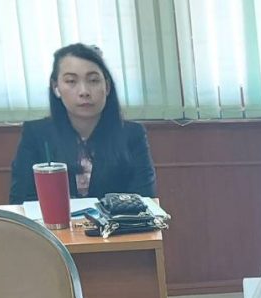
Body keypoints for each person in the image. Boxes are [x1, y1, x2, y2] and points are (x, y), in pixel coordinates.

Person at [9, 43, 156, 204]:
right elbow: (21, 201)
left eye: (93, 80)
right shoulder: (36, 135)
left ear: (107, 86)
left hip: (118, 221)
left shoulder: (132, 134)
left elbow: (144, 200)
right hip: (49, 221)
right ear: (56, 87)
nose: (84, 91)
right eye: (71, 81)